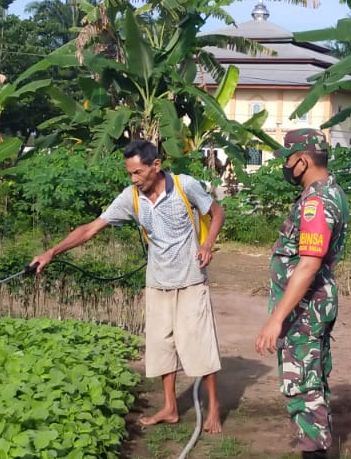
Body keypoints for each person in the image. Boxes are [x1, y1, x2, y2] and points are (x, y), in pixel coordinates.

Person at [32, 140, 225, 433]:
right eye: (130, 174)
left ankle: (214, 407)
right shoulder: (130, 198)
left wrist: (207, 244)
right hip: (156, 282)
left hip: (190, 280)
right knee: (162, 347)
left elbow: (217, 213)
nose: (134, 179)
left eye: (138, 172)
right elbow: (91, 229)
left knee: (199, 344)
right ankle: (170, 408)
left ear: (155, 166)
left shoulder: (184, 186)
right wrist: (51, 252)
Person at [255, 128, 350, 459]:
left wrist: (276, 318)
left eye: (288, 160)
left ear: (303, 160)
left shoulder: (317, 202)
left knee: (303, 384)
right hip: (311, 304)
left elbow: (308, 264)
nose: (285, 167)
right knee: (312, 379)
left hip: (305, 308)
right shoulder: (329, 193)